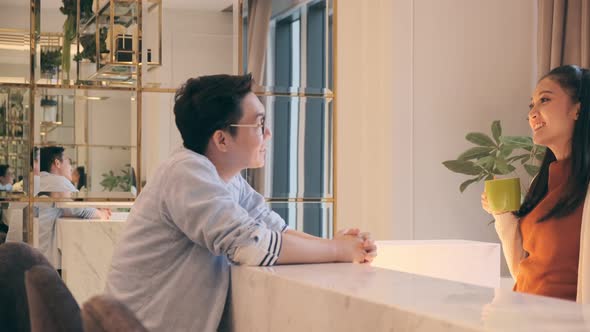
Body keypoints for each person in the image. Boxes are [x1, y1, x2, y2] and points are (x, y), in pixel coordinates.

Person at [106, 74, 377, 332]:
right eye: (259, 124)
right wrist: (335, 250)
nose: (268, 133)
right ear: (222, 139)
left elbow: (274, 230)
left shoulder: (225, 178)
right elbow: (251, 245)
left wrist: (337, 246)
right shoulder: (185, 172)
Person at [482, 65, 590, 302]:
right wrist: (502, 214)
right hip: (528, 314)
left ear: (578, 109)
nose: (532, 112)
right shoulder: (541, 183)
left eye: (544, 100)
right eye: (531, 105)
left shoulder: (585, 189)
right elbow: (524, 270)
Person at [36, 146, 111, 268]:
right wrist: (101, 214)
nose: (71, 167)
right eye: (69, 162)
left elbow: (66, 208)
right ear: (57, 163)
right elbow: (77, 207)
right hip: (39, 260)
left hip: (22, 253)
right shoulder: (57, 182)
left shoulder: (39, 180)